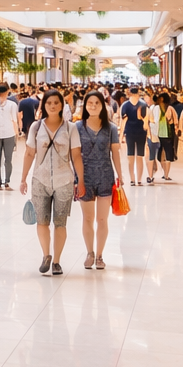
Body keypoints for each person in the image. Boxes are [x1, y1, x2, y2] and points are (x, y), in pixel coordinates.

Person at [20, 90, 84, 276]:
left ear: (62, 105)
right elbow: (29, 153)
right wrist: (23, 178)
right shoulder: (36, 127)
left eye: (56, 102)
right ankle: (46, 255)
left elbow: (76, 155)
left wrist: (80, 180)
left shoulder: (70, 128)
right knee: (42, 221)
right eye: (49, 103)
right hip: (40, 179)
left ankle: (56, 261)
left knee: (60, 223)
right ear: (44, 105)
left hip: (64, 181)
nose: (53, 106)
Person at [76, 91, 124, 270]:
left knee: (102, 219)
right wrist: (75, 177)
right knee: (87, 218)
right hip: (85, 178)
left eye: (97, 103)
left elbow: (115, 153)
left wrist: (120, 175)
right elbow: (74, 155)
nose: (93, 106)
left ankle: (100, 256)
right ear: (85, 105)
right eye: (90, 103)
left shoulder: (110, 128)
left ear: (103, 105)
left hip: (105, 176)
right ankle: (90, 252)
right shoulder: (77, 127)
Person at [0, 82, 21, 190]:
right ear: (7, 91)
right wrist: (17, 134)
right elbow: (14, 121)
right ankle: (6, 181)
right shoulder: (12, 105)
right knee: (8, 159)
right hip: (9, 133)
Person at [120, 87, 148, 186]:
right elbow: (146, 121)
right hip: (137, 132)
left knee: (134, 156)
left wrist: (120, 136)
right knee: (135, 156)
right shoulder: (142, 104)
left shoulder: (126, 105)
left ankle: (135, 179)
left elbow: (123, 121)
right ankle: (136, 179)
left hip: (133, 132)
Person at [151, 92, 179, 181]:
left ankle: (166, 174)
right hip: (165, 134)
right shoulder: (165, 108)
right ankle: (165, 174)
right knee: (166, 154)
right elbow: (176, 121)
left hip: (161, 134)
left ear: (162, 99)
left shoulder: (161, 108)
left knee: (163, 155)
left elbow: (175, 121)